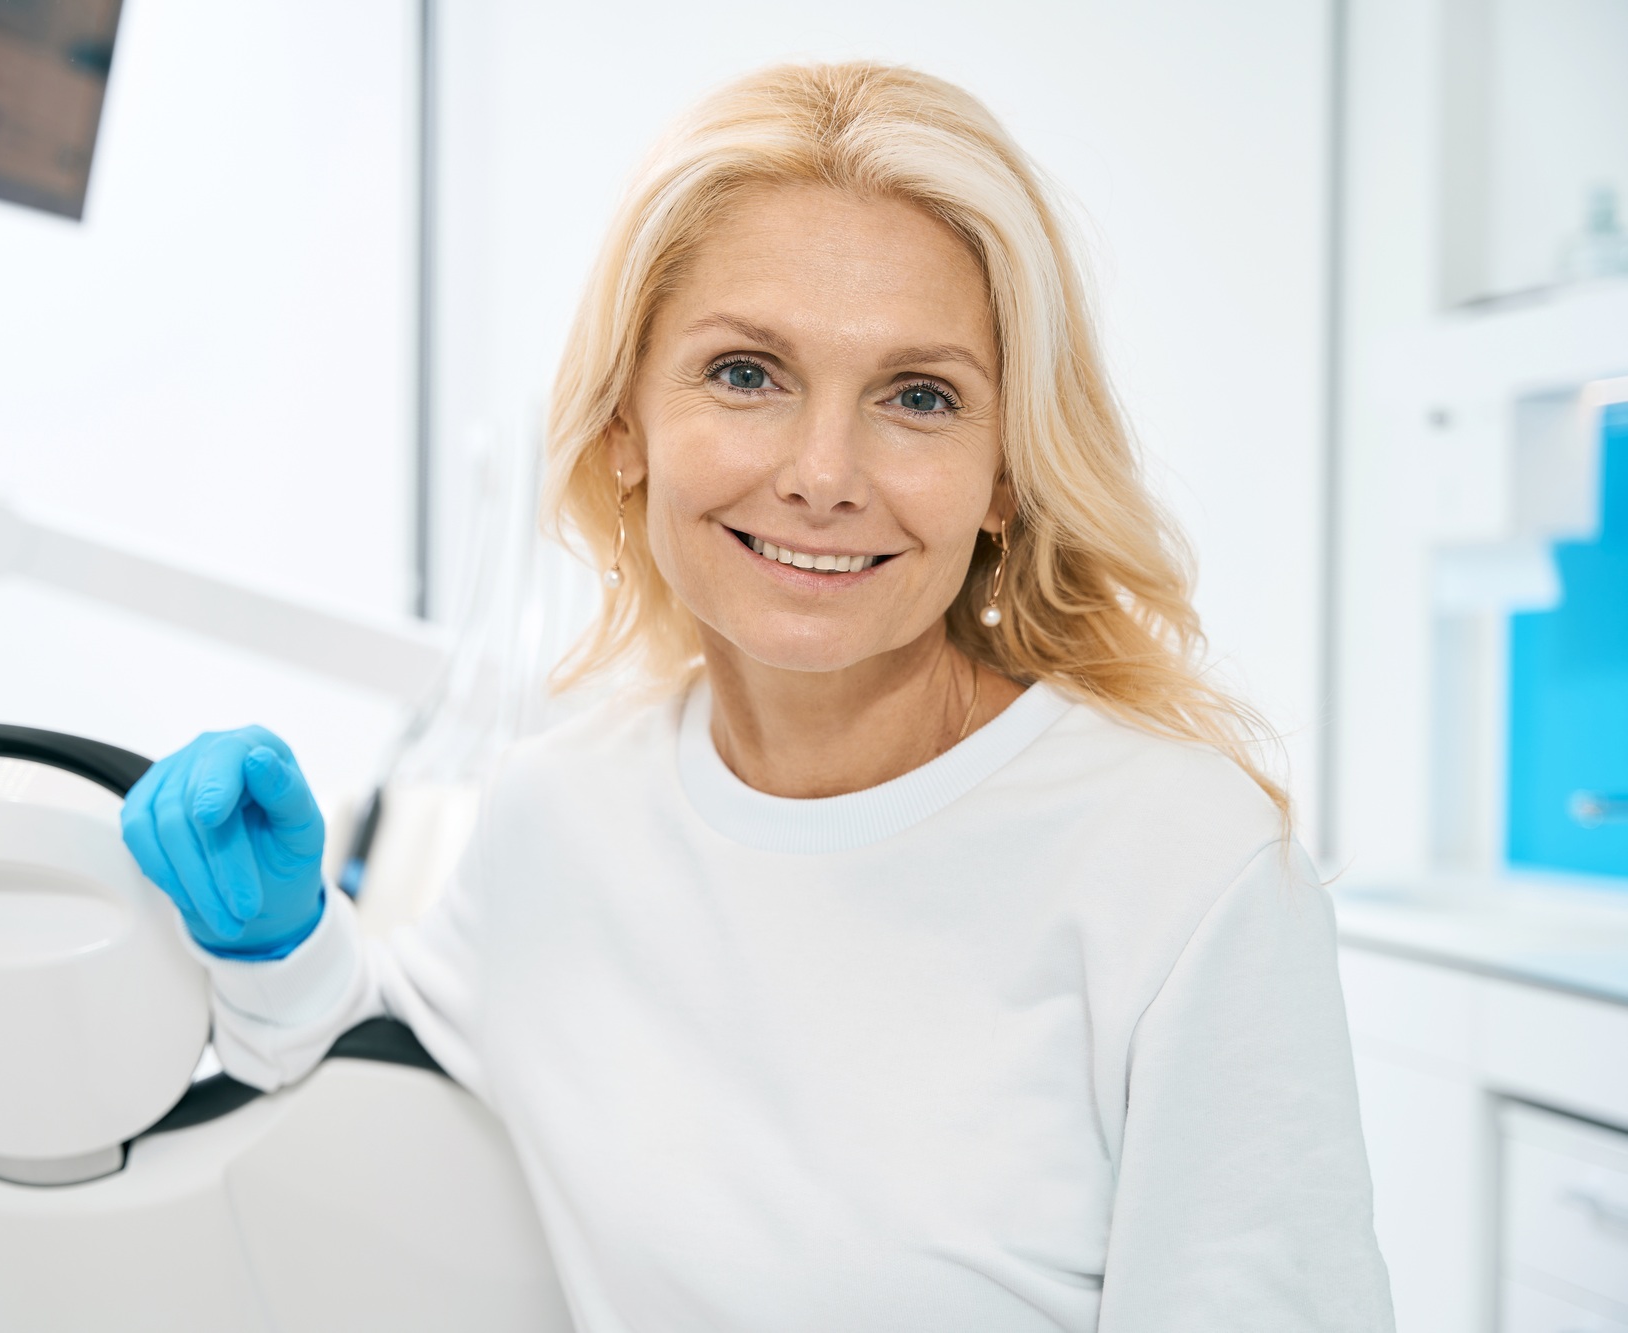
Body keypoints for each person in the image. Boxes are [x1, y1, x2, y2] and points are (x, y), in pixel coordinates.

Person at [121, 62, 1393, 1333]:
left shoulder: (1180, 871)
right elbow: (384, 1079)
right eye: (745, 374)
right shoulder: (561, 811)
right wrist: (273, 940)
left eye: (917, 397)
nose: (822, 474)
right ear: (627, 426)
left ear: (1006, 475)